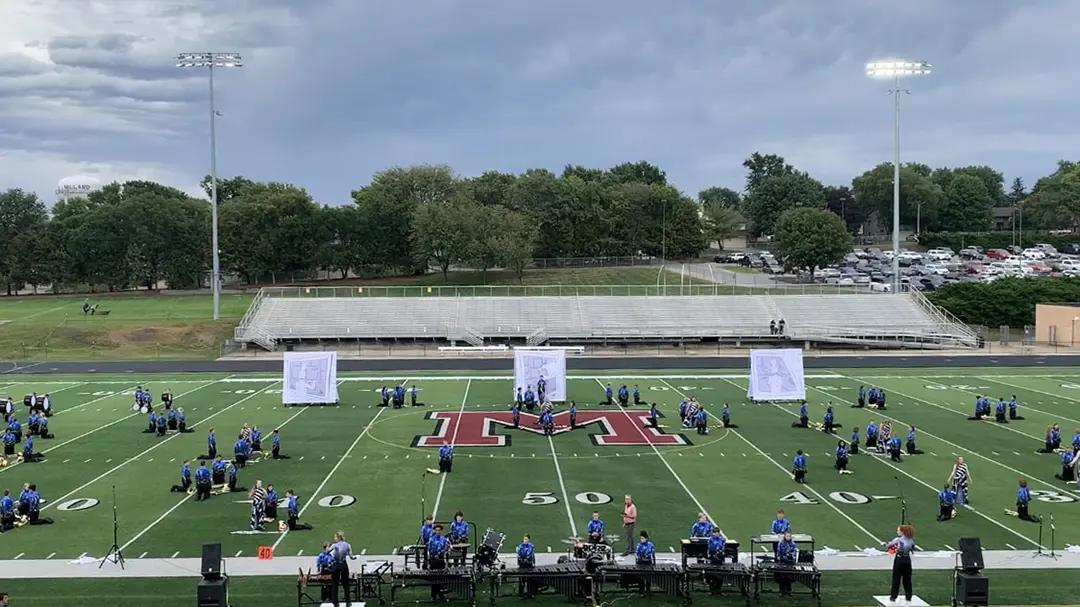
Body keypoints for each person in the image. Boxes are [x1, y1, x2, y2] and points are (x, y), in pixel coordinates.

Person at [883, 525, 915, 604]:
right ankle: (908, 596)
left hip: (899, 560)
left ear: (902, 532)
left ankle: (893, 597)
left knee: (896, 578)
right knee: (907, 579)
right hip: (907, 560)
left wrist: (884, 544)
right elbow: (912, 549)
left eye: (898, 530)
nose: (897, 532)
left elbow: (889, 546)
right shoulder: (911, 540)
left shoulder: (898, 539)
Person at [329, 531, 353, 606]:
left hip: (336, 565)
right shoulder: (347, 545)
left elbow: (327, 553)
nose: (334, 538)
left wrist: (327, 549)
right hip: (343, 565)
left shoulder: (334, 545)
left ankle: (335, 602)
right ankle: (348, 602)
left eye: (335, 537)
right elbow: (351, 557)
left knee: (334, 584)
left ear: (339, 538)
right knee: (346, 584)